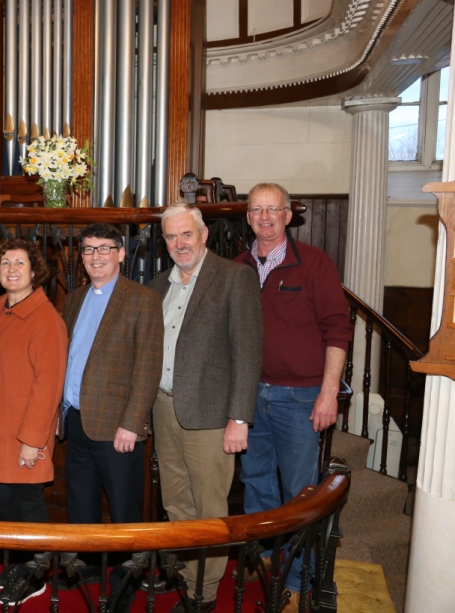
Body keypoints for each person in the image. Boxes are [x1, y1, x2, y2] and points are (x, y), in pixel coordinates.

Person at [235, 183, 352, 612]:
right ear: (248, 216)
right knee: (255, 482)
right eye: (257, 210)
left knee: (299, 492)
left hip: (300, 397)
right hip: (250, 395)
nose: (265, 217)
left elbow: (338, 330)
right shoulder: (237, 266)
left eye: (273, 209)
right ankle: (266, 562)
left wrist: (328, 394)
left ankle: (300, 575)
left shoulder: (315, 264)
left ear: (288, 215)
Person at [149, 203, 263, 613]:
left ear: (203, 236)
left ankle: (204, 592)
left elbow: (247, 354)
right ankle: (183, 572)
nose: (179, 243)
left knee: (210, 506)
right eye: (171, 236)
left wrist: (239, 418)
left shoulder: (234, 278)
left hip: (212, 415)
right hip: (164, 409)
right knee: (176, 500)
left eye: (186, 234)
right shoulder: (159, 284)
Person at [61, 222, 163, 613]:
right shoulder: (74, 299)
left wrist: (133, 424)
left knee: (124, 510)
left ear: (122, 254)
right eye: (88, 249)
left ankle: (126, 578)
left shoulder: (141, 299)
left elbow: (148, 366)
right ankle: (86, 567)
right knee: (80, 504)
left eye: (105, 249)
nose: (96, 257)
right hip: (76, 421)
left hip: (118, 426)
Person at [0, 239, 67, 605]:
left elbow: (48, 386)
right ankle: (19, 564)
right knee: (6, 507)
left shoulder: (46, 319)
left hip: (23, 437)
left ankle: (37, 575)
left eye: (19, 263)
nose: (11, 269)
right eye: (4, 263)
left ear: (35, 272)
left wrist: (33, 440)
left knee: (29, 508)